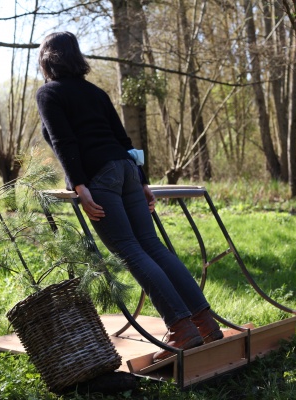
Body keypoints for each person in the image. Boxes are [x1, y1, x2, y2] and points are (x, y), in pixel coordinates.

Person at [36, 31, 222, 362]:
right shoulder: (96, 93)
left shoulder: (49, 94)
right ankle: (205, 323)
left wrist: (79, 185)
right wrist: (142, 180)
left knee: (131, 251)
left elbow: (65, 142)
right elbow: (123, 138)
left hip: (99, 177)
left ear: (47, 59)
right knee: (152, 247)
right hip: (126, 170)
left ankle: (181, 331)